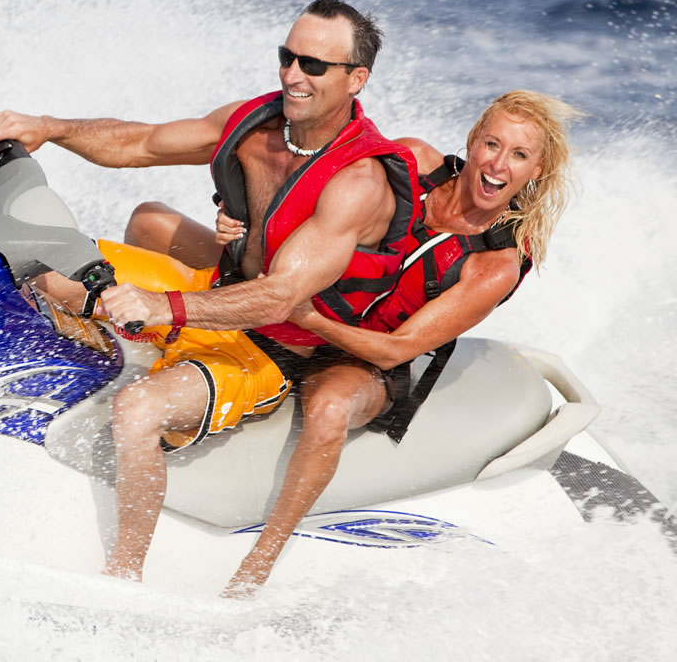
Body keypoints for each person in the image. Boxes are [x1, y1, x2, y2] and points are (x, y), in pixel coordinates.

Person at [0, 0, 417, 582]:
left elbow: (280, 297)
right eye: (288, 56)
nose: (292, 74)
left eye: (314, 65)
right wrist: (51, 129)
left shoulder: (358, 181)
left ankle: (124, 575)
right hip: (214, 290)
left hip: (269, 344)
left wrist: (162, 306)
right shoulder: (255, 125)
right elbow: (142, 143)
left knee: (138, 411)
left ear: (355, 78)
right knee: (35, 265)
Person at [216, 90, 581, 595]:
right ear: (473, 142)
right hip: (305, 297)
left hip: (366, 355)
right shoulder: (411, 161)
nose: (498, 165)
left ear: (535, 171)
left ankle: (258, 564)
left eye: (519, 155)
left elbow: (397, 350)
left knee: (328, 407)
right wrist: (237, 225)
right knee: (152, 219)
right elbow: (306, 205)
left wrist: (308, 318)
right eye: (492, 144)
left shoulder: (495, 264)